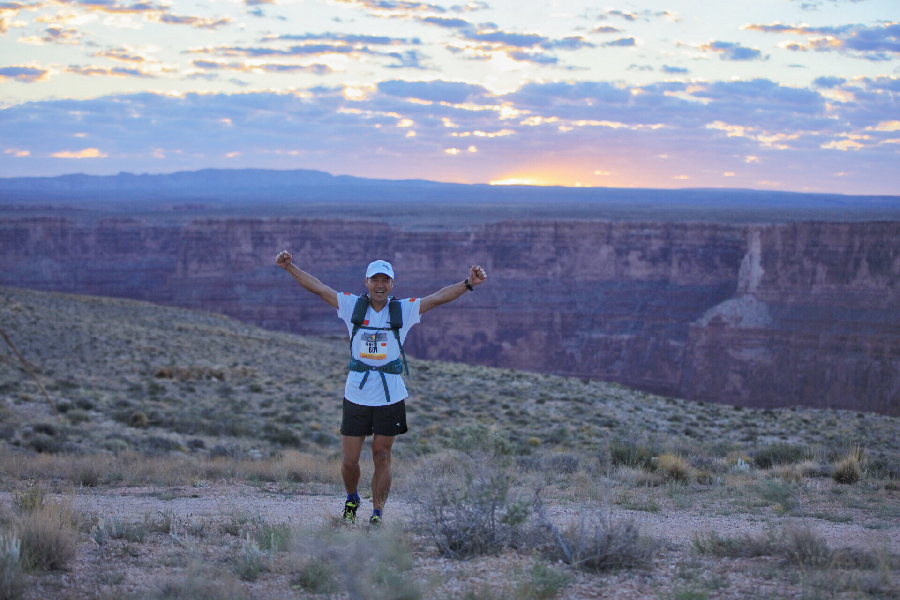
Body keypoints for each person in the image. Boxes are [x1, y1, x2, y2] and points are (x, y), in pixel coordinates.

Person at [275, 251, 487, 525]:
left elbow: (437, 298)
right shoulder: (352, 307)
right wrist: (290, 268)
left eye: (385, 280)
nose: (380, 284)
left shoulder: (403, 309)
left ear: (392, 284)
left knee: (382, 456)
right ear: (366, 282)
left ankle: (377, 513)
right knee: (350, 460)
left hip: (390, 395)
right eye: (375, 279)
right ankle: (352, 498)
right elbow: (318, 288)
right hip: (357, 393)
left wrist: (468, 284)